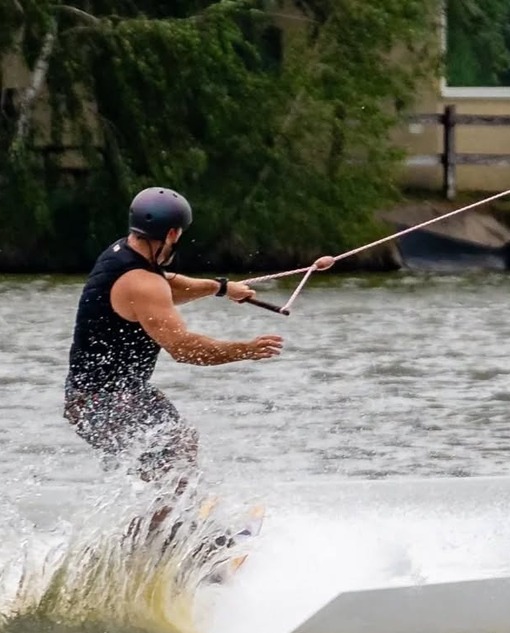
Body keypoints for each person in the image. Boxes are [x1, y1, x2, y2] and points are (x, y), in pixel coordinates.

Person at [64, 186, 334, 491]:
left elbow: (168, 285)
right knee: (172, 462)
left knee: (179, 451)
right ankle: (179, 518)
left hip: (118, 393)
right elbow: (184, 349)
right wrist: (245, 350)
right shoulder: (141, 282)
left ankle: (173, 518)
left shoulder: (126, 254)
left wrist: (221, 288)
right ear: (172, 234)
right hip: (101, 402)